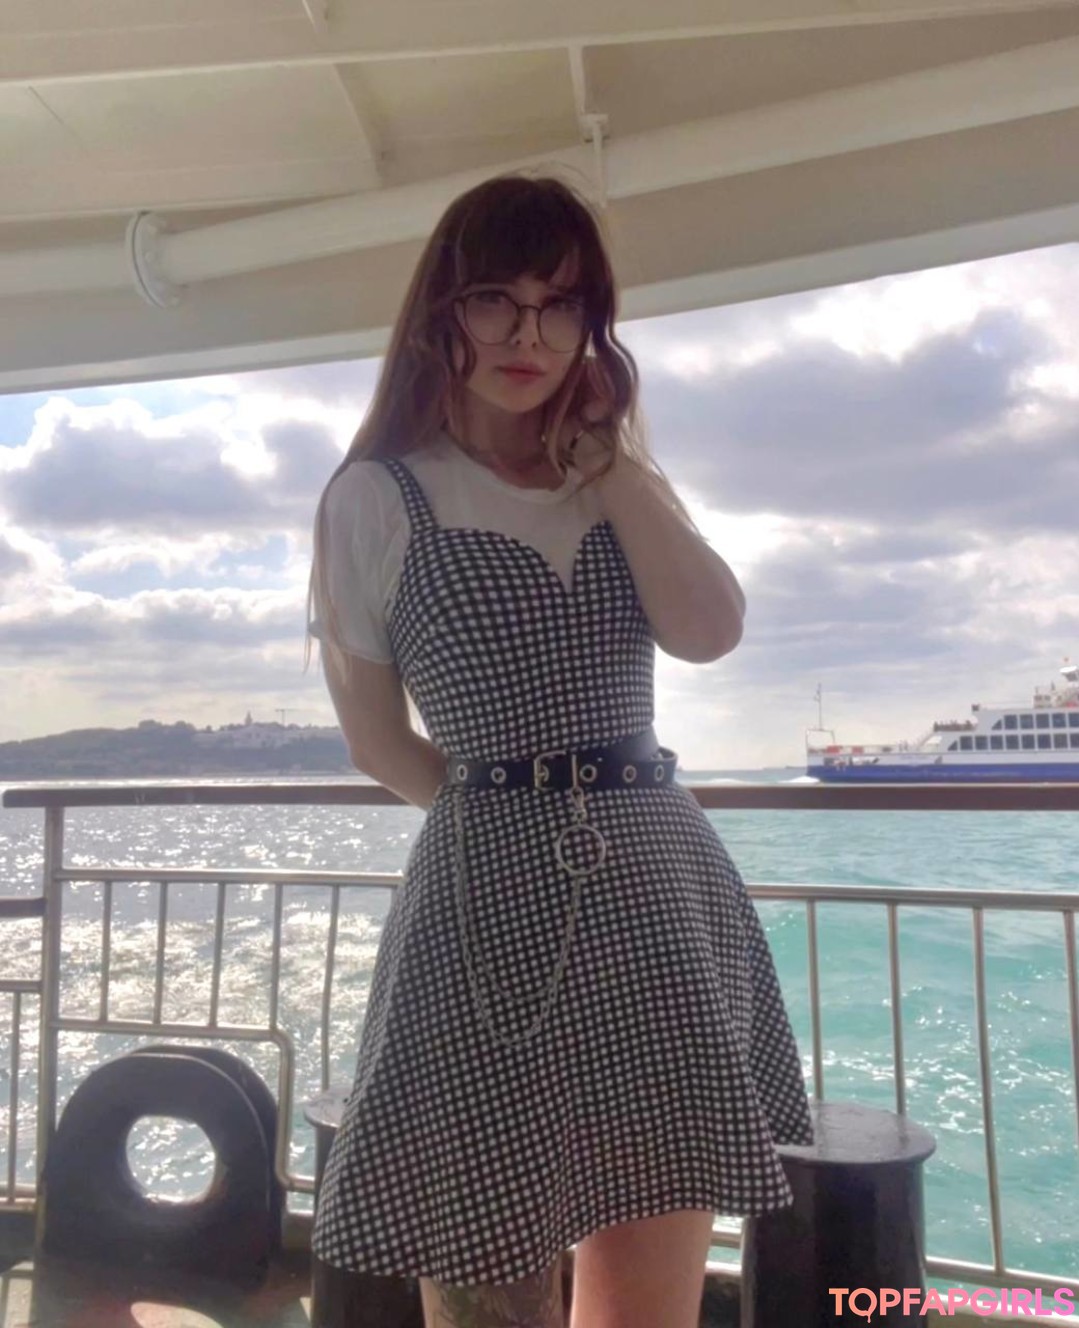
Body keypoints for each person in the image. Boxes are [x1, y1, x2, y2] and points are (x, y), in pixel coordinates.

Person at [305, 171, 813, 1328]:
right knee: (485, 1281)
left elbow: (710, 630)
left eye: (561, 304)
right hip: (484, 912)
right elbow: (378, 740)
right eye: (497, 299)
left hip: (659, 896)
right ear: (442, 313)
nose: (528, 335)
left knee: (649, 1284)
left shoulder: (615, 483)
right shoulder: (376, 497)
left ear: (595, 325)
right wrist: (510, 818)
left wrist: (617, 468)